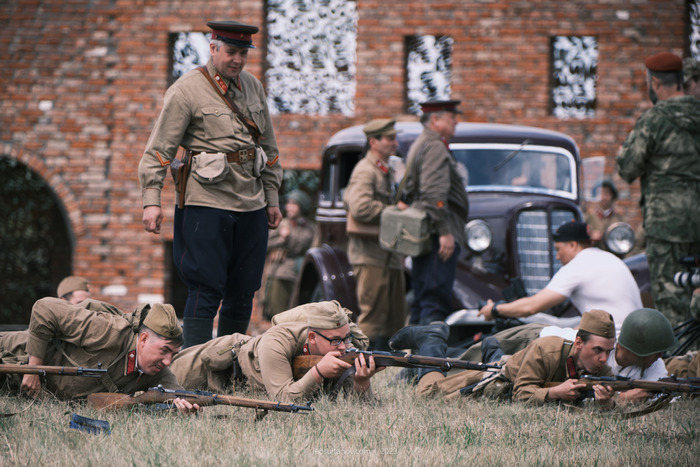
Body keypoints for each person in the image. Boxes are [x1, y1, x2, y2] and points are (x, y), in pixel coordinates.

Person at [138, 20, 283, 348]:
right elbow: (159, 149)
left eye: (243, 53)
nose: (238, 60)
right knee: (206, 287)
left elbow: (269, 148)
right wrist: (151, 200)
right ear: (213, 48)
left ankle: (231, 361)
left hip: (252, 201)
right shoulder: (187, 89)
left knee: (244, 289)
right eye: (231, 52)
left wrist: (272, 197)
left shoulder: (253, 87)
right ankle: (194, 364)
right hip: (206, 201)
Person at [617, 52, 700, 327]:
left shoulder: (654, 120)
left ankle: (682, 354)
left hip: (667, 226)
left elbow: (627, 167)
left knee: (672, 303)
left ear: (654, 83)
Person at [0, 298, 198, 413]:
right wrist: (33, 369)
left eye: (173, 354)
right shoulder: (109, 331)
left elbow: (182, 396)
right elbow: (44, 309)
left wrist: (187, 408)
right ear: (144, 339)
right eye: (164, 350)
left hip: (24, 393)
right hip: (10, 356)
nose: (167, 361)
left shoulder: (157, 371)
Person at [389, 309, 616, 405]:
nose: (604, 359)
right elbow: (521, 393)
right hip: (497, 380)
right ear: (578, 343)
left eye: (608, 351)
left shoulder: (602, 371)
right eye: (598, 350)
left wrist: (606, 403)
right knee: (430, 394)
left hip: (507, 371)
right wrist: (554, 393)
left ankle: (491, 349)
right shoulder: (546, 350)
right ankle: (431, 339)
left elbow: (612, 406)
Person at [170, 301, 380, 402]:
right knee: (162, 378)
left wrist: (362, 382)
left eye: (347, 338)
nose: (343, 346)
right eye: (335, 340)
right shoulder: (278, 340)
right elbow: (284, 399)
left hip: (236, 388)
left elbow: (361, 410)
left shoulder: (341, 349)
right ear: (312, 338)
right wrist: (318, 373)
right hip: (211, 366)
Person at [478, 220, 642, 331]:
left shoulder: (579, 265)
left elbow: (532, 306)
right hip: (635, 341)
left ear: (573, 245)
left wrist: (495, 309)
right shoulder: (608, 258)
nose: (557, 256)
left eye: (558, 249)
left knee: (532, 337)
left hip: (612, 345)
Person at [401, 100, 469, 325]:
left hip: (427, 231)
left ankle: (416, 346)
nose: (456, 122)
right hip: (436, 234)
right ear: (436, 120)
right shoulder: (435, 147)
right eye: (451, 117)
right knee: (435, 300)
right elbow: (434, 194)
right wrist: (445, 232)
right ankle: (429, 347)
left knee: (423, 297)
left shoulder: (424, 142)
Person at [343, 119, 407, 350]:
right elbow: (360, 207)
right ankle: (361, 362)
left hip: (387, 253)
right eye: (389, 139)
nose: (395, 143)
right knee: (373, 317)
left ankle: (387, 362)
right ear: (373, 142)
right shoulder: (366, 170)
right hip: (370, 255)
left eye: (394, 138)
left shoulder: (384, 170)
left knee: (394, 317)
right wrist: (394, 210)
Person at [263, 189, 315, 319]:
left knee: (298, 314)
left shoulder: (311, 228)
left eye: (294, 204)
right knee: (278, 313)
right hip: (280, 272)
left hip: (301, 274)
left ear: (302, 206)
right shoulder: (281, 224)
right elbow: (265, 245)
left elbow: (314, 249)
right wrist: (281, 239)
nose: (289, 207)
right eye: (288, 203)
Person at [584, 180, 624, 252]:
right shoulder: (588, 217)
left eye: (606, 194)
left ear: (612, 196)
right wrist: (591, 238)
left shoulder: (618, 219)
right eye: (600, 193)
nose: (603, 197)